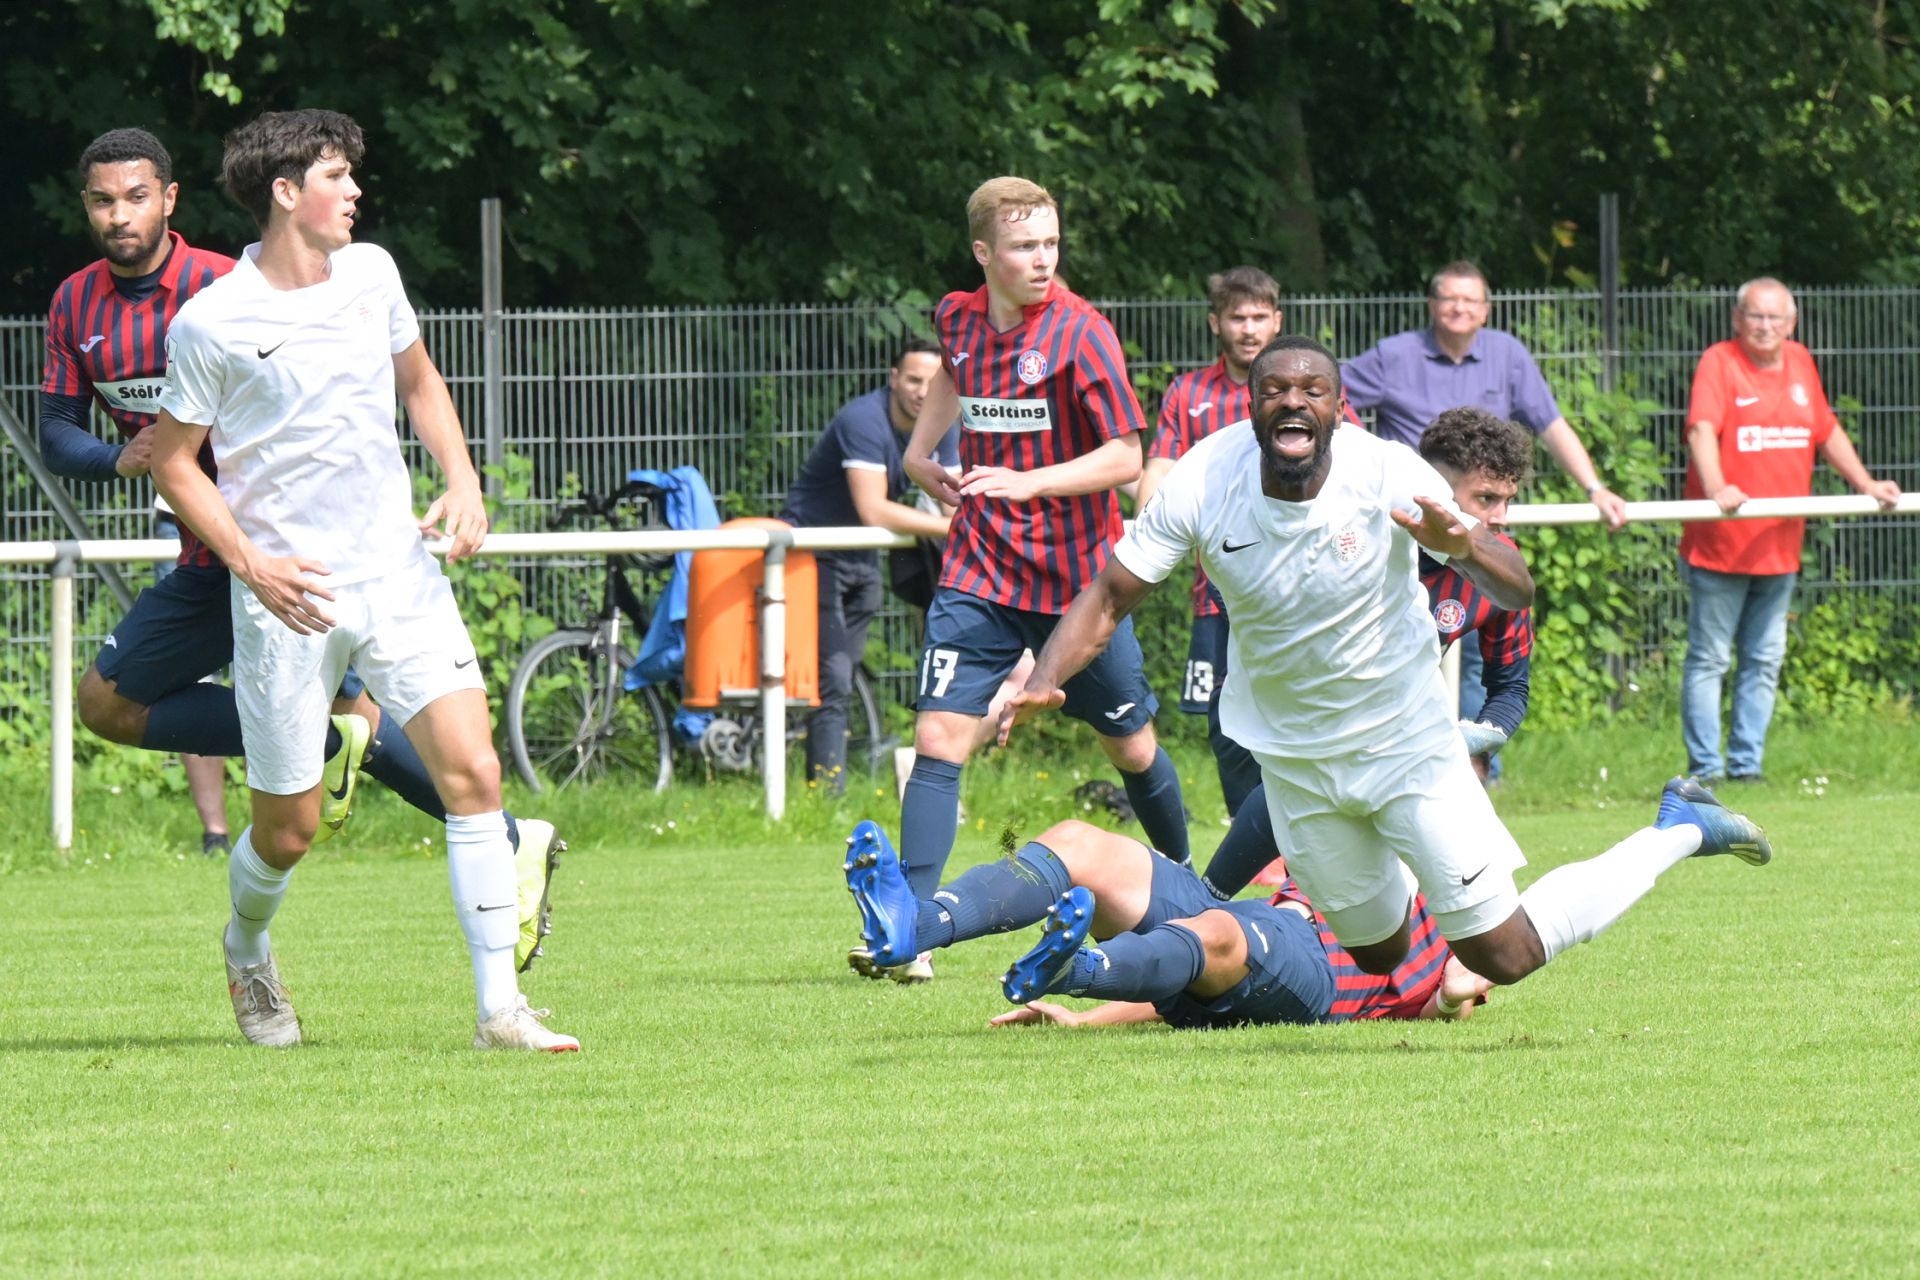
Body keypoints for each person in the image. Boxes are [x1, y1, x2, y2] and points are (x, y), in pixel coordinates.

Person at [1001, 334, 1772, 993]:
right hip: (1296, 761)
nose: (1293, 402)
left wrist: (1466, 542)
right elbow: (1107, 596)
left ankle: (1677, 830)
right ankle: (1410, 866)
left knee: (1500, 956)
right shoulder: (1203, 481)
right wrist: (1044, 681)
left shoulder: (1388, 472)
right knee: (1380, 953)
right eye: (1275, 389)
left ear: (1340, 408)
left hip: (1405, 744)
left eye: (1313, 390)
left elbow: (1516, 584)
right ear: (1251, 404)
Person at [38, 127, 559, 962]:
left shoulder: (229, 284)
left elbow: (394, 383)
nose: (118, 214)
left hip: (289, 555)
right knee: (121, 715)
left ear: (170, 200)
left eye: (136, 196)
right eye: (102, 200)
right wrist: (121, 457)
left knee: (408, 759)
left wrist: (458, 481)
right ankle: (464, 819)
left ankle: (498, 858)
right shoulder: (76, 305)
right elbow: (58, 433)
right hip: (218, 551)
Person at [149, 109, 575, 1051]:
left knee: (475, 774)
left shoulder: (374, 272)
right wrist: (251, 564)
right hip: (290, 598)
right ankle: (247, 947)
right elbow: (177, 463)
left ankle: (500, 1010)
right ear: (285, 193)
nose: (354, 193)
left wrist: (463, 481)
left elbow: (418, 381)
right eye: (336, 177)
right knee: (291, 828)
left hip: (397, 570)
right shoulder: (212, 321)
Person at [893, 175, 1190, 969]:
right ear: (984, 252)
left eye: (1052, 244)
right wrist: (922, 454)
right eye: (1025, 246)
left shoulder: (1082, 332)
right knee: (939, 737)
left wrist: (1028, 480)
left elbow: (1126, 454)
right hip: (980, 570)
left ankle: (1187, 889)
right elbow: (955, 374)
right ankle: (910, 930)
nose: (1043, 260)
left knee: (1129, 747)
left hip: (1077, 586)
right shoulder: (957, 317)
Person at [845, 816, 1492, 1031]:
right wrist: (1088, 1022)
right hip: (1250, 922)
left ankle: (1083, 970)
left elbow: (1461, 989)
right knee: (1081, 842)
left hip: (1313, 974)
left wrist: (1457, 991)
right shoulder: (1338, 821)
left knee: (1220, 936)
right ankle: (917, 927)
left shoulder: (1458, 897)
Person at [1679, 277, 1901, 782]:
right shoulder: (1720, 361)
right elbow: (1701, 430)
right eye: (1755, 316)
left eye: (1775, 318)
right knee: (1710, 660)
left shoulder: (1800, 360)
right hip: (1720, 548)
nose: (1765, 326)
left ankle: (1746, 769)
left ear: (1791, 323)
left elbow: (1825, 430)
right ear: (1737, 319)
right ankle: (1706, 771)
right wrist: (1717, 488)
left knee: (1763, 661)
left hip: (1780, 548)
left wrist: (1866, 482)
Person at [780, 339, 957, 794]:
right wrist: (951, 530)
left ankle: (826, 785)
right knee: (834, 676)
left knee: (843, 674)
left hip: (861, 556)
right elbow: (874, 509)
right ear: (894, 378)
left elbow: (956, 502)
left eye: (931, 382)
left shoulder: (943, 420)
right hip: (813, 554)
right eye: (913, 379)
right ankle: (826, 794)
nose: (922, 391)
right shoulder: (862, 420)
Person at [1136, 266, 1282, 815]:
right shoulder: (1189, 392)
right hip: (1217, 589)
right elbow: (1160, 468)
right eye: (1237, 317)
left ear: (1277, 320)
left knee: (1295, 711)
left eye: (1259, 317)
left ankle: (1311, 842)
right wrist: (1145, 534)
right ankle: (1258, 851)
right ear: (1215, 323)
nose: (1248, 329)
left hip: (1298, 583)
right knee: (1226, 723)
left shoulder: (1302, 379)